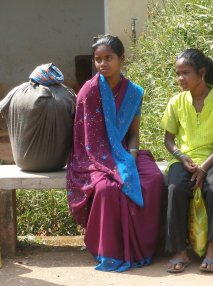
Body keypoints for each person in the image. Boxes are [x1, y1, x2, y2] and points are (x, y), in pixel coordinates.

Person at [66, 34, 163, 272]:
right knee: (107, 189)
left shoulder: (133, 92)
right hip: (91, 156)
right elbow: (84, 140)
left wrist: (131, 155)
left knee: (152, 180)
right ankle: (108, 250)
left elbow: (134, 133)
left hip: (124, 150)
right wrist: (110, 164)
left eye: (108, 58)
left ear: (121, 59)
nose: (102, 64)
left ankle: (146, 248)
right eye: (98, 59)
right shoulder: (88, 92)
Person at [160, 48, 213, 273]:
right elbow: (168, 140)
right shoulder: (176, 102)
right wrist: (181, 157)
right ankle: (179, 250)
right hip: (183, 161)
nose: (180, 78)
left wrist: (204, 167)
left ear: (201, 72)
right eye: (177, 73)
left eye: (185, 73)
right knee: (175, 188)